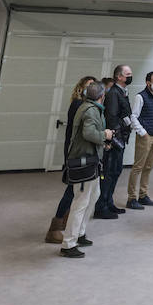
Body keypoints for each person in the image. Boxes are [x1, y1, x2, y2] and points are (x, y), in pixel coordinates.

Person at [60, 82, 113, 257]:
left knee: (93, 196)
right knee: (80, 202)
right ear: (101, 96)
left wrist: (101, 144)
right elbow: (89, 133)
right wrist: (104, 136)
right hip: (84, 162)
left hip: (92, 159)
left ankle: (80, 233)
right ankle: (68, 243)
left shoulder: (90, 108)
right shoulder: (91, 110)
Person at [46, 75, 96, 242]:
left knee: (77, 192)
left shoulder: (86, 105)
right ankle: (56, 226)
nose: (92, 88)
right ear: (81, 88)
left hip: (81, 151)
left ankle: (67, 224)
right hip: (76, 152)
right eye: (89, 85)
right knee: (73, 190)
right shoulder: (79, 105)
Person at [95, 64, 134, 218]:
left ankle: (109, 202)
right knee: (109, 173)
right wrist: (116, 137)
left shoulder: (122, 92)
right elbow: (111, 117)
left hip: (121, 139)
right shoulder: (113, 93)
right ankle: (101, 206)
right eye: (128, 74)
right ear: (119, 76)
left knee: (116, 172)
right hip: (114, 141)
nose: (130, 76)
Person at [126, 70, 153, 210]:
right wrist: (143, 133)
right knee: (138, 167)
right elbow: (133, 116)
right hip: (145, 137)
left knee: (148, 167)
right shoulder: (140, 97)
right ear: (148, 82)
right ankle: (131, 198)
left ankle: (143, 195)